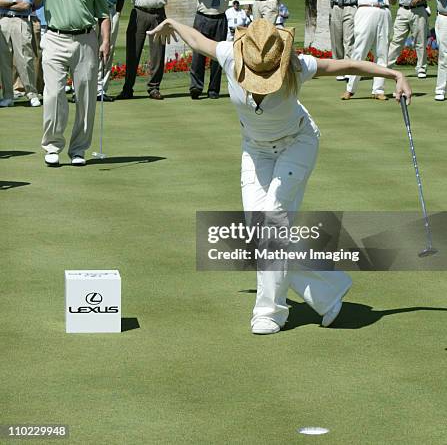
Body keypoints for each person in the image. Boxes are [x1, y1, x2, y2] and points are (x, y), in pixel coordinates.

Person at [148, 17, 411, 335]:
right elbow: (195, 39)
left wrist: (394, 73)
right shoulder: (231, 54)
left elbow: (346, 65)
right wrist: (173, 22)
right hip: (255, 150)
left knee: (272, 218)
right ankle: (328, 287)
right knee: (260, 231)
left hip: (297, 144)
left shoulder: (297, 66)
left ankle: (269, 312)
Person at [2, 0, 110, 166]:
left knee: (85, 96)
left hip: (85, 40)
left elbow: (103, 15)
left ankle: (79, 149)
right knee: (53, 95)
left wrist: (105, 42)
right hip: (55, 39)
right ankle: (52, 146)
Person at [116, 0, 171, 101]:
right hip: (139, 13)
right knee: (133, 51)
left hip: (158, 14)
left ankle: (154, 88)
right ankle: (128, 88)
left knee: (158, 54)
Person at [190, 0, 247, 99]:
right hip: (202, 18)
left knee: (218, 55)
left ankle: (213, 89)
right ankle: (196, 87)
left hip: (220, 19)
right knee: (198, 54)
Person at [86, 0, 127, 102]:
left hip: (110, 12)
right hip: (90, 12)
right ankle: (81, 91)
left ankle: (100, 90)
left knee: (106, 50)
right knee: (86, 49)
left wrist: (115, 14)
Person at [387, 0, 436, 80]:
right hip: (403, 10)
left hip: (419, 11)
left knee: (420, 42)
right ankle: (387, 67)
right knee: (397, 40)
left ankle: (421, 68)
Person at [0, 0, 39, 108]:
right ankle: (8, 95)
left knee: (26, 59)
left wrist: (6, 2)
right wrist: (15, 0)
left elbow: (26, 6)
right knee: (4, 60)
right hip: (3, 21)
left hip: (21, 21)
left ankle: (32, 94)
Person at [317, 0, 357, 80]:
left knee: (348, 40)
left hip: (350, 8)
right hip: (335, 9)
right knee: (336, 40)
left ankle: (348, 68)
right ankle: (339, 68)